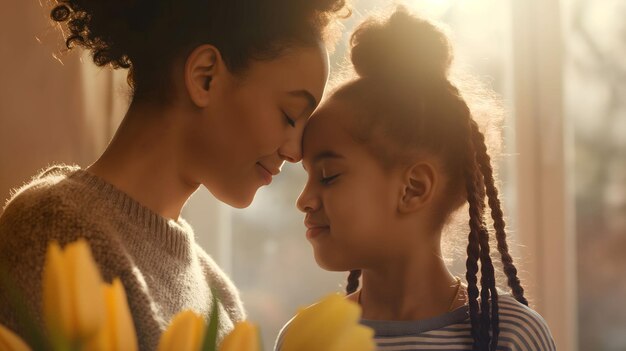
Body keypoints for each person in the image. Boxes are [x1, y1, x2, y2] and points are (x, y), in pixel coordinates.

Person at [0, 0, 349, 349]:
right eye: (290, 115)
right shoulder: (55, 227)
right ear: (205, 77)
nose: (296, 151)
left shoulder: (220, 297)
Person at [278, 7, 556, 351]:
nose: (303, 199)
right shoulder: (308, 339)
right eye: (307, 177)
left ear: (413, 188)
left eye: (329, 176)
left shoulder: (510, 335)